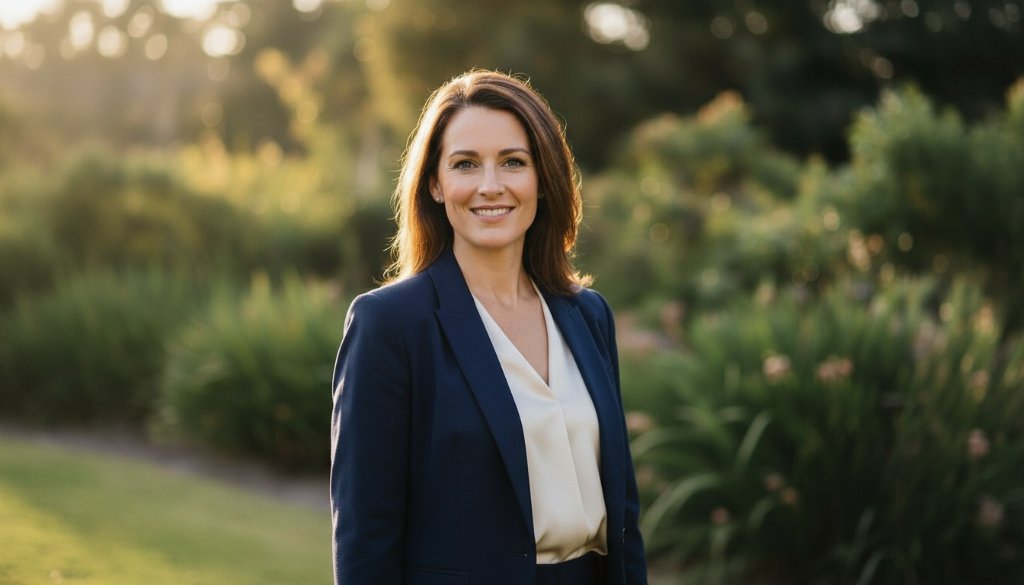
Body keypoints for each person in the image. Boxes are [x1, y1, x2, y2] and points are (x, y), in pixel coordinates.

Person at [331, 70, 648, 585]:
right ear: (435, 183)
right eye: (465, 164)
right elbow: (366, 537)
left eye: (513, 162)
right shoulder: (390, 324)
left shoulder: (588, 315)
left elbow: (624, 516)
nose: (490, 186)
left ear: (542, 178)